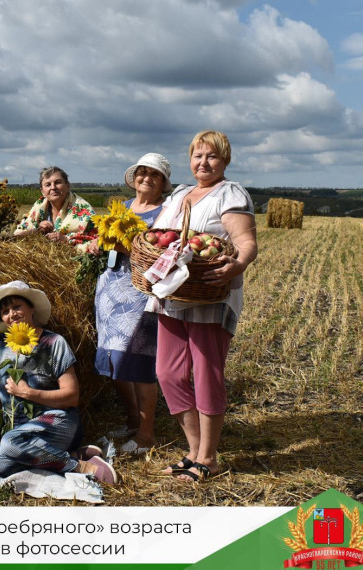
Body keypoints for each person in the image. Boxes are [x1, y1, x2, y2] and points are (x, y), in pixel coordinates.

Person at [146, 131, 258, 482]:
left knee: (206, 373)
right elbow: (160, 236)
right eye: (197, 155)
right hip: (173, 293)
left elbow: (245, 241)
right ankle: (194, 449)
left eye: (212, 156)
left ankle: (208, 458)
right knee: (168, 373)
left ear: (225, 160)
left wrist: (238, 264)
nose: (203, 162)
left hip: (209, 292)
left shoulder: (230, 193)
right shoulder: (180, 193)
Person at [0, 281, 117, 484]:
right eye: (5, 311)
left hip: (57, 421)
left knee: (10, 442)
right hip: (20, 430)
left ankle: (82, 467)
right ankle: (71, 456)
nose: (12, 314)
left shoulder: (53, 342)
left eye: (17, 307)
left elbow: (72, 396)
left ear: (31, 308)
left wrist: (29, 393)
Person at [92, 153, 171, 454]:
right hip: (111, 290)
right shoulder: (121, 209)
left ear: (163, 182)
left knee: (140, 363)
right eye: (142, 172)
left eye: (154, 174)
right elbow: (105, 241)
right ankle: (131, 421)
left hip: (142, 293)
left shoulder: (166, 214)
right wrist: (96, 243)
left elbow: (163, 253)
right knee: (117, 361)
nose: (146, 178)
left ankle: (146, 436)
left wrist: (125, 246)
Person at [14, 167, 97, 253]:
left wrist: (66, 240)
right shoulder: (39, 205)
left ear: (68, 186)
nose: (53, 187)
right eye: (48, 185)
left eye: (58, 182)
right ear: (42, 191)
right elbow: (17, 235)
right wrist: (38, 230)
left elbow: (96, 241)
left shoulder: (83, 208)